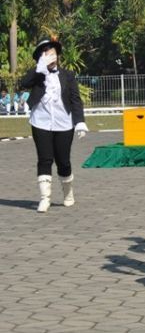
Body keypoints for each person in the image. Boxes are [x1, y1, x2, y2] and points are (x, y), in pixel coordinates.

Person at [19, 38, 88, 213]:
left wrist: (79, 122)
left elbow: (75, 100)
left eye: (53, 53)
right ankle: (45, 198)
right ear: (40, 57)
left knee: (63, 161)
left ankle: (68, 192)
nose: (50, 56)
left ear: (57, 56)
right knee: (45, 159)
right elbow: (24, 83)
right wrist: (39, 68)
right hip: (40, 122)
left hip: (64, 123)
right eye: (46, 53)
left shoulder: (68, 76)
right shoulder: (37, 75)